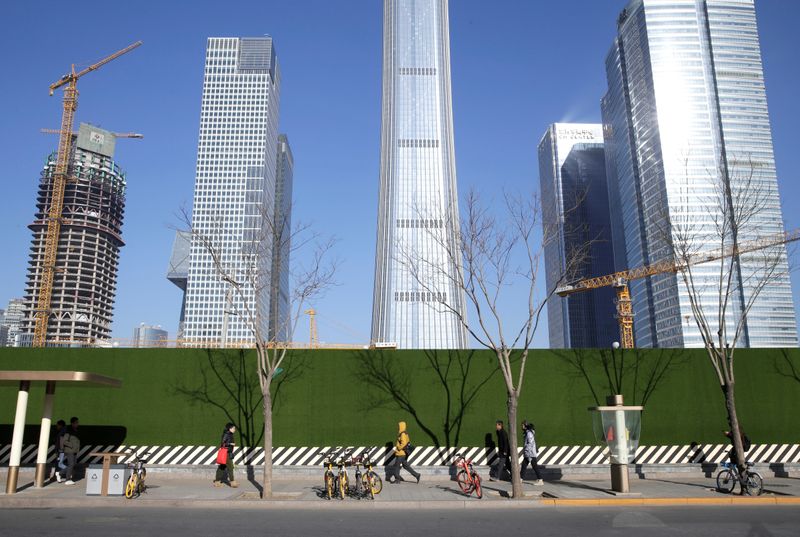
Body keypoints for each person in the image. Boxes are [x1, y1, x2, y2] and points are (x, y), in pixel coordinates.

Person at [213, 423, 238, 488]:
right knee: (230, 467)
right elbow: (223, 443)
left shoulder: (230, 434)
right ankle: (233, 483)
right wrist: (230, 444)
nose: (234, 429)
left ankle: (217, 482)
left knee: (222, 467)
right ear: (230, 428)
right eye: (233, 428)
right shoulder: (226, 434)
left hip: (228, 452)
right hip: (226, 453)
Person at [520, 420, 544, 485]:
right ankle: (520, 479)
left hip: (530, 453)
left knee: (534, 466)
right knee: (524, 465)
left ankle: (540, 480)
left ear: (525, 425)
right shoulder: (527, 433)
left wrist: (527, 452)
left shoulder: (529, 433)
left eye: (522, 425)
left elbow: (530, 443)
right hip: (529, 453)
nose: (521, 426)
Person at [61, 417, 80, 485]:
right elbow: (64, 441)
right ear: (72, 423)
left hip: (74, 450)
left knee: (73, 464)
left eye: (78, 422)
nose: (78, 424)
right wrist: (71, 445)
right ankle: (67, 480)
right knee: (71, 464)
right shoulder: (68, 431)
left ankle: (60, 473)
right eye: (76, 422)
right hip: (69, 450)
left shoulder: (76, 430)